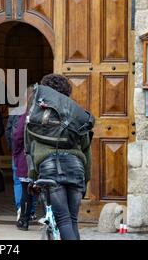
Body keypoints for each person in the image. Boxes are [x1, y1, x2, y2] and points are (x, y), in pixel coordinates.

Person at [27, 74, 92, 240]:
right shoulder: (75, 113)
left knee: (62, 220)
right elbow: (86, 148)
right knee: (72, 220)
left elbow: (30, 149)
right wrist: (85, 179)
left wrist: (33, 178)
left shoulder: (37, 115)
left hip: (49, 167)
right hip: (76, 167)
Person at [12, 86, 36, 230]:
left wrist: (16, 153)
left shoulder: (27, 114)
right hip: (47, 159)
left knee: (26, 192)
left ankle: (24, 221)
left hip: (28, 158)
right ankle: (51, 221)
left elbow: (18, 136)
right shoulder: (50, 113)